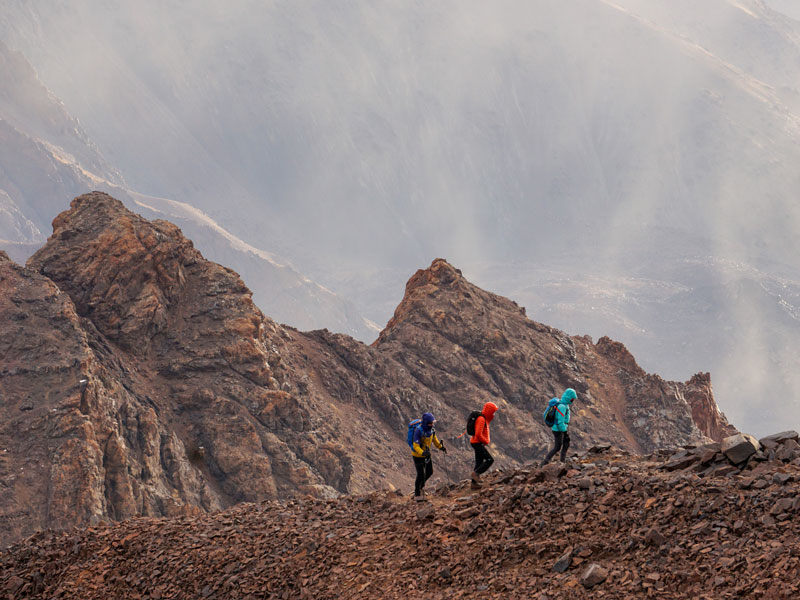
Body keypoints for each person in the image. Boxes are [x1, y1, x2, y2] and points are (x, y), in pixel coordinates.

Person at [411, 412, 446, 501]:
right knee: (420, 474)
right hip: (417, 456)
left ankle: (420, 487)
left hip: (426, 454)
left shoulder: (431, 430)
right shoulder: (419, 430)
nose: (432, 424)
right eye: (430, 423)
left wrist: (440, 447)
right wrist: (422, 453)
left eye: (432, 422)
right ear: (426, 423)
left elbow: (435, 439)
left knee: (429, 472)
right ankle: (417, 493)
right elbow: (416, 446)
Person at [541, 388, 577, 465]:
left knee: (565, 445)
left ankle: (562, 462)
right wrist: (565, 432)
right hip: (558, 429)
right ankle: (545, 463)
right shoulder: (562, 406)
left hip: (561, 428)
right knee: (557, 447)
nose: (573, 400)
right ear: (569, 397)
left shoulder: (565, 405)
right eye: (572, 398)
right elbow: (560, 422)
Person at [470, 401, 498, 489]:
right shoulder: (481, 419)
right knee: (490, 459)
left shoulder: (483, 419)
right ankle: (476, 474)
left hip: (476, 442)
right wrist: (485, 441)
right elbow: (478, 434)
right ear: (489, 411)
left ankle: (474, 484)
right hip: (477, 443)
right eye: (493, 412)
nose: (494, 414)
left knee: (479, 462)